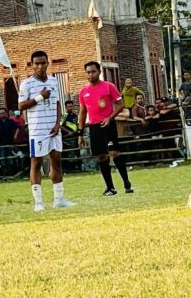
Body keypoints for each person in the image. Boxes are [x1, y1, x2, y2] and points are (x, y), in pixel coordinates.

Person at [19, 50, 75, 211]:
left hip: (53, 128)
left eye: (43, 63)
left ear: (47, 63)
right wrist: (40, 97)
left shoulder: (53, 81)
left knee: (56, 161)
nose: (40, 66)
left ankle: (59, 199)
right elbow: (21, 106)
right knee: (36, 163)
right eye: (37, 63)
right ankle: (39, 203)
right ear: (32, 65)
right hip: (37, 130)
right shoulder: (26, 84)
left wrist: (58, 124)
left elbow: (58, 103)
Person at [78, 61, 133, 196]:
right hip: (94, 126)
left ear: (99, 72)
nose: (91, 74)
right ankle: (110, 188)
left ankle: (126, 182)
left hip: (108, 124)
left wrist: (110, 117)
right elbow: (83, 112)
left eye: (93, 71)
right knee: (101, 157)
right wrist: (80, 133)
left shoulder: (109, 87)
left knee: (114, 153)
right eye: (88, 72)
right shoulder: (84, 92)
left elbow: (120, 105)